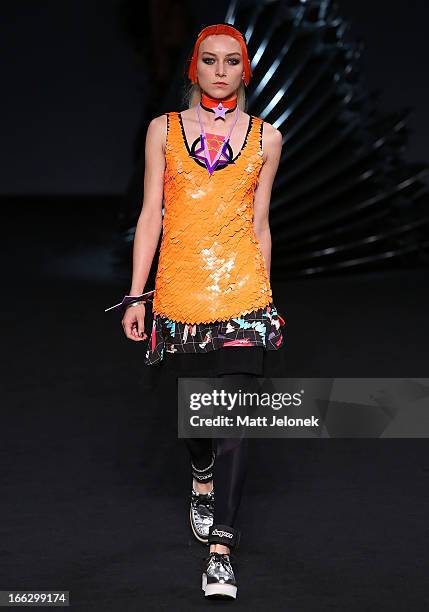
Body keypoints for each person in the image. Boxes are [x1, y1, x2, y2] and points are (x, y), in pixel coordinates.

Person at [120, 23, 285, 600]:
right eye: (210, 60)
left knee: (233, 418)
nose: (220, 70)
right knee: (199, 420)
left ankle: (222, 547)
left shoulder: (268, 138)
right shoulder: (163, 132)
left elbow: (261, 224)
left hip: (242, 290)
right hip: (182, 293)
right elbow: (151, 215)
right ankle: (201, 473)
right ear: (195, 68)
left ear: (246, 70)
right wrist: (138, 293)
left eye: (232, 61)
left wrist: (265, 296)